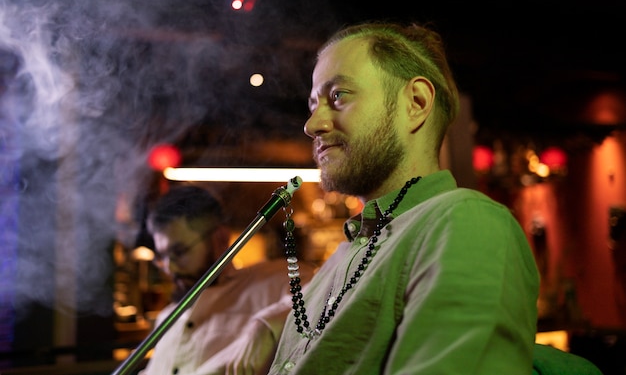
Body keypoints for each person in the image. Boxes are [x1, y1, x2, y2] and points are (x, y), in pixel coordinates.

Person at [267, 22, 540, 374]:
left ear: (416, 103)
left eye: (338, 96)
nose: (312, 124)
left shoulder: (464, 222)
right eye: (313, 103)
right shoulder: (346, 254)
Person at [139, 185, 314, 375]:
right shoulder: (166, 319)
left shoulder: (271, 282)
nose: (170, 268)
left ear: (220, 239)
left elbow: (321, 293)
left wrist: (267, 326)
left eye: (179, 252)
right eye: (162, 257)